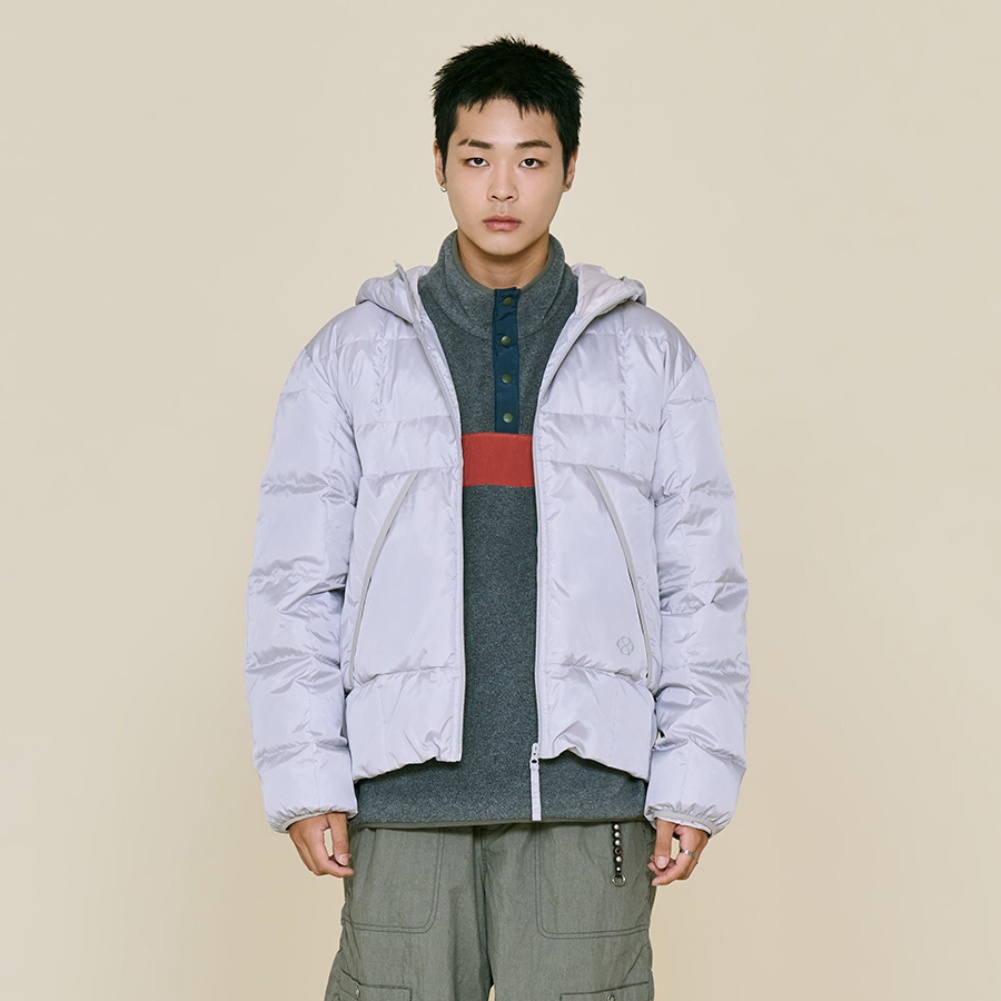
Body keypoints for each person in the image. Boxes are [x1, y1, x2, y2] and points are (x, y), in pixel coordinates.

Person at [245, 35, 749, 1001]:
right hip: (400, 804)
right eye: (477, 158)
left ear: (570, 167)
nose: (503, 188)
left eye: (531, 159)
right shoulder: (350, 358)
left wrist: (693, 777)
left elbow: (700, 586)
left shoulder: (650, 358)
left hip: (587, 803)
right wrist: (306, 778)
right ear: (438, 163)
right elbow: (296, 586)